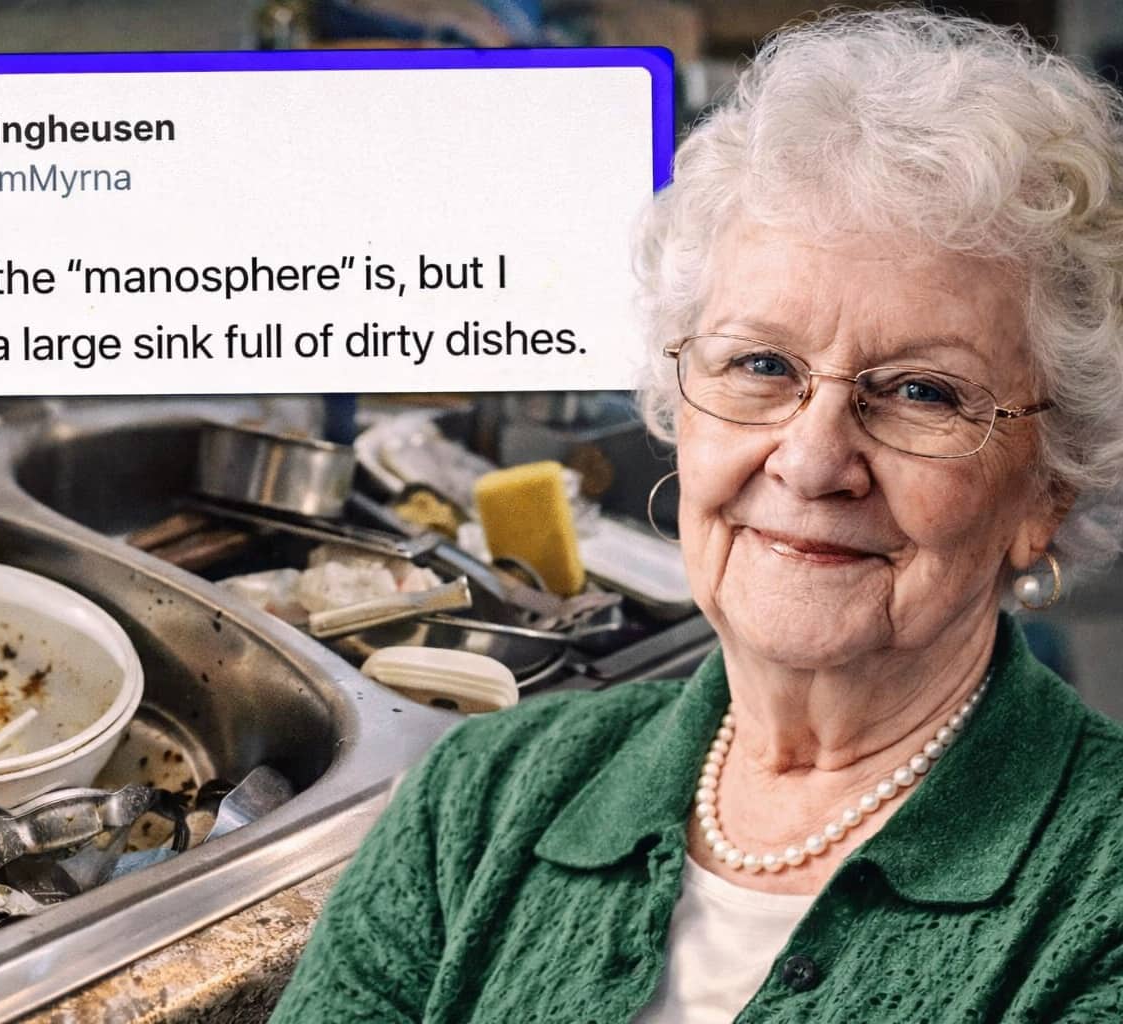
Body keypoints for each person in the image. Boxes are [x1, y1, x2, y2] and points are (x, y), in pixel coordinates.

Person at [270, 9, 1123, 1022]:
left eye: (922, 392)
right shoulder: (472, 805)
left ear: (1048, 488)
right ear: (679, 403)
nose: (811, 461)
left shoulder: (1100, 892)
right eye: (761, 364)